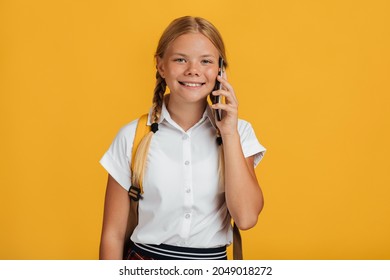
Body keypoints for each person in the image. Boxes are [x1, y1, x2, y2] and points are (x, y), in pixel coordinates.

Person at [99, 16, 266, 260]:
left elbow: (247, 217)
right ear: (161, 65)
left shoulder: (240, 133)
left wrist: (228, 133)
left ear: (220, 69)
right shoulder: (132, 136)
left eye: (206, 61)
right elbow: (112, 235)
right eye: (180, 59)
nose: (193, 70)